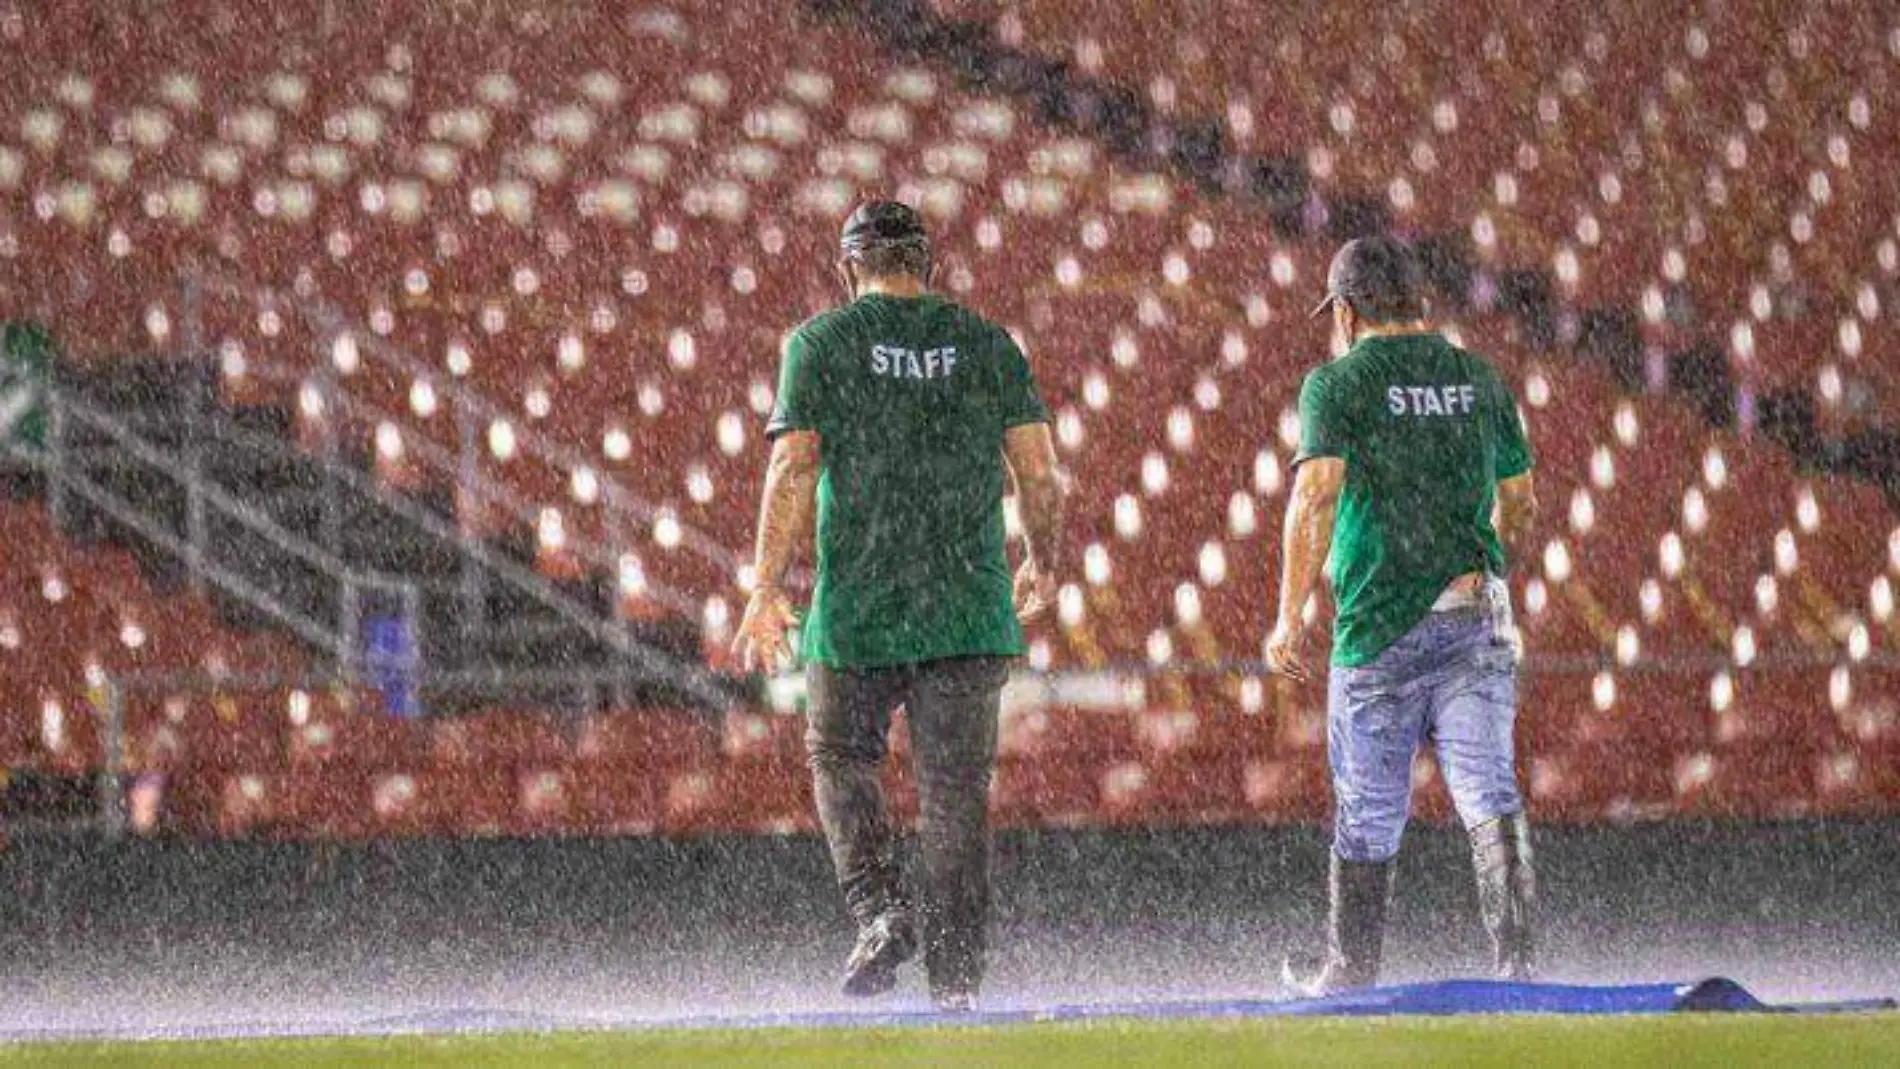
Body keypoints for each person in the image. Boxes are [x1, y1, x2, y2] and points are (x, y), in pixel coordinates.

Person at [733, 200, 1063, 1012]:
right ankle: (956, 988)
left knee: (840, 758)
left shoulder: (821, 343)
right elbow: (1040, 472)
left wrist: (765, 588)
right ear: (929, 264)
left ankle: (881, 909)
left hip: (859, 609)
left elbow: (793, 470)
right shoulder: (987, 343)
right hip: (967, 607)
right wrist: (1042, 560)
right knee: (955, 799)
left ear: (850, 269)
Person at [1266, 236, 1540, 995]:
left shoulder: (1337, 384)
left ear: (1346, 313)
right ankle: (1516, 964)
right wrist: (1487, 571)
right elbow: (1519, 504)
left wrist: (1289, 616)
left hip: (1377, 629)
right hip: (1473, 616)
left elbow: (1316, 493)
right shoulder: (1479, 379)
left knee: (1368, 813)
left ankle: (1349, 970)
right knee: (1489, 789)